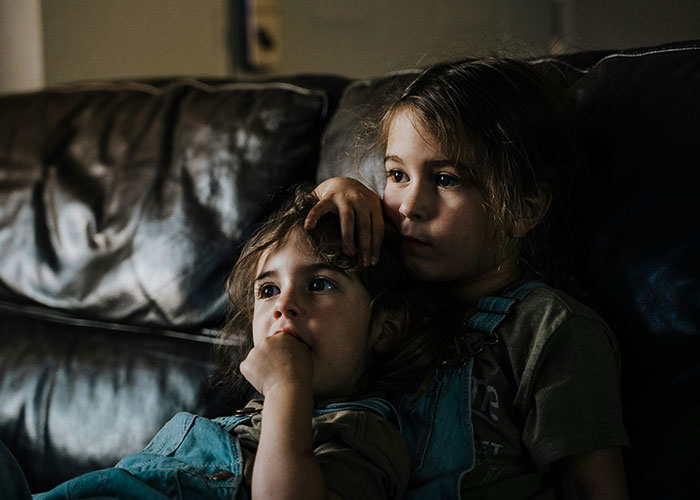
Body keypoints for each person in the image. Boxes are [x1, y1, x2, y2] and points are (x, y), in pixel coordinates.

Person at [305, 58, 630, 499]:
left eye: (445, 179)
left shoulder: (551, 330)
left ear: (524, 209)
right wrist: (337, 188)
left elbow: (596, 490)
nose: (408, 205)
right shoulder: (381, 298)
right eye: (397, 175)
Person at [3, 185, 428, 500]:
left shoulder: (362, 431)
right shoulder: (247, 416)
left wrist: (285, 389)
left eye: (319, 284)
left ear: (385, 328)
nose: (285, 305)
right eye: (267, 290)